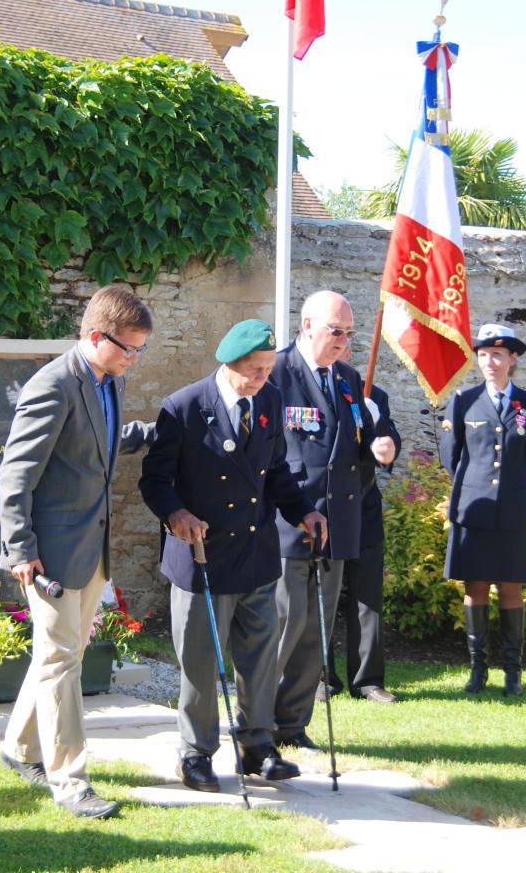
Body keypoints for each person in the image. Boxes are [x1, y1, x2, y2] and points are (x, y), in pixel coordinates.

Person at [139, 319, 328, 792]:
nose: (263, 378)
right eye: (255, 370)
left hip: (256, 553)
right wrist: (176, 514)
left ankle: (257, 746)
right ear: (230, 364)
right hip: (202, 556)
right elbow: (155, 480)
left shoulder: (268, 401)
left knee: (260, 656)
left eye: (267, 369)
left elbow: (277, 472)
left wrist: (305, 512)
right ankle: (196, 753)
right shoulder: (183, 408)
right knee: (202, 663)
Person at [0, 285, 154, 818]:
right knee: (62, 661)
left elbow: (103, 439)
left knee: (61, 655)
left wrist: (157, 432)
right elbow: (16, 473)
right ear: (94, 336)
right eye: (129, 348)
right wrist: (20, 547)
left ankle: (20, 749)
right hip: (52, 553)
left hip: (91, 547)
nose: (134, 359)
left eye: (140, 350)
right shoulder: (53, 385)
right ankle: (70, 781)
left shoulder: (107, 380)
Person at [269, 291, 397, 750]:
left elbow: (352, 444)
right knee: (284, 627)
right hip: (289, 523)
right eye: (334, 331)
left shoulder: (347, 379)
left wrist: (378, 448)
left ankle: (292, 724)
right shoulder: (276, 372)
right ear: (306, 325)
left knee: (312, 634)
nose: (343, 341)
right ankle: (257, 724)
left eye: (349, 333)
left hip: (335, 523)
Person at [439, 322, 526, 697]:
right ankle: (478, 669)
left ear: (512, 358)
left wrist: (511, 487)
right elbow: (451, 456)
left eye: (497, 354)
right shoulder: (464, 401)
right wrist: (477, 485)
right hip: (474, 508)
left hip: (514, 509)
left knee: (512, 587)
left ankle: (513, 673)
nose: (489, 361)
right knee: (476, 586)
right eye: (483, 355)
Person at [326, 381, 402, 703]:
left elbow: (389, 438)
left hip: (364, 501)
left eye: (346, 339)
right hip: (325, 506)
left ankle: (368, 680)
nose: (342, 346)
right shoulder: (311, 388)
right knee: (322, 594)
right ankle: (319, 677)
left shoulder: (372, 393)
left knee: (368, 593)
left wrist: (385, 441)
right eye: (335, 335)